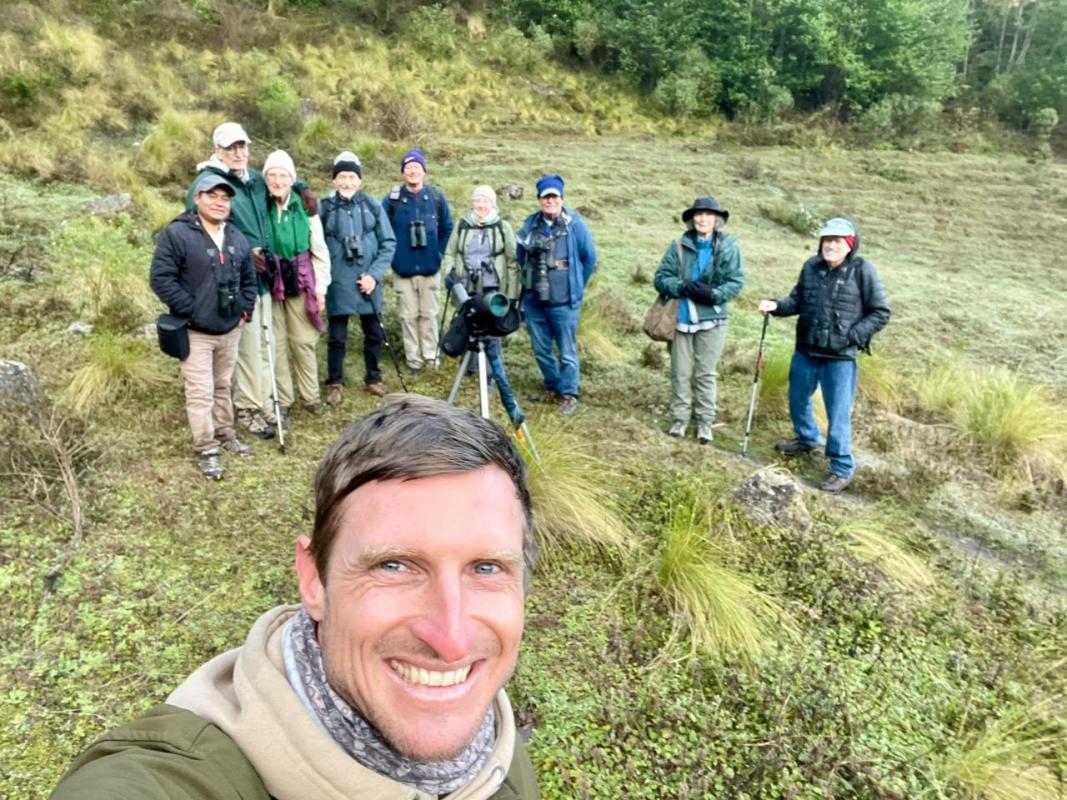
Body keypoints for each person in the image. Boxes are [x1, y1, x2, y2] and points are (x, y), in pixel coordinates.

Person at [51, 395, 541, 799]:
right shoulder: (180, 778)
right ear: (313, 581)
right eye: (393, 566)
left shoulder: (492, 741)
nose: (452, 640)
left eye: (486, 568)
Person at [186, 122, 318, 440]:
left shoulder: (253, 179)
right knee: (247, 348)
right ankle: (248, 407)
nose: (239, 152)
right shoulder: (210, 183)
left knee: (262, 344)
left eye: (242, 146)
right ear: (217, 150)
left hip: (263, 278)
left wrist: (302, 188)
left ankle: (264, 401)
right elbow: (205, 227)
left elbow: (280, 178)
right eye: (231, 147)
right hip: (233, 279)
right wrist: (244, 252)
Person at [758, 217, 890, 493]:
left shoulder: (862, 270)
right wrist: (776, 305)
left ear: (849, 245)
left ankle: (841, 468)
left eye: (837, 241)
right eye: (827, 240)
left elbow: (880, 312)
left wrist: (852, 337)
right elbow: (797, 301)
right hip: (806, 348)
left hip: (840, 357)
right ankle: (806, 438)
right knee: (797, 397)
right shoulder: (811, 267)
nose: (830, 245)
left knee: (837, 412)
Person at [150, 175, 257, 479]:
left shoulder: (237, 236)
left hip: (230, 329)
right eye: (213, 196)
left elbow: (250, 280)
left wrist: (245, 310)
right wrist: (191, 309)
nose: (220, 202)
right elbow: (161, 278)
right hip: (194, 331)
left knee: (223, 385)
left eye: (225, 198)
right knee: (200, 392)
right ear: (197, 198)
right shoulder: (178, 234)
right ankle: (207, 449)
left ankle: (226, 434)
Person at [653, 196, 745, 444]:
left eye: (708, 214)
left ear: (717, 219)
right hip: (681, 318)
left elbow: (736, 282)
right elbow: (661, 278)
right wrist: (683, 286)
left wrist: (714, 295)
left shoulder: (728, 247)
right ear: (692, 218)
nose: (703, 219)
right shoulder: (679, 246)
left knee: (705, 374)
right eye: (699, 214)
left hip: (713, 320)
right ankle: (680, 420)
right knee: (680, 372)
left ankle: (705, 423)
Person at [442, 185, 525, 425]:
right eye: (477, 201)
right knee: (468, 322)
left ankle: (489, 374)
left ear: (492, 204)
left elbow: (512, 261)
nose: (480, 206)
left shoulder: (502, 227)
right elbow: (450, 253)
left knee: (492, 330)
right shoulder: (463, 225)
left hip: (493, 288)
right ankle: (469, 368)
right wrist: (449, 274)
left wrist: (510, 295)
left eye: (485, 202)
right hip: (467, 286)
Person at [516, 174, 597, 417]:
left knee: (567, 350)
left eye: (554, 196)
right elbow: (520, 256)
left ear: (561, 198)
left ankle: (569, 394)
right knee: (541, 349)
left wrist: (577, 286)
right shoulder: (530, 224)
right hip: (534, 301)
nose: (550, 201)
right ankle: (552, 386)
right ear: (539, 200)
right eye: (545, 197)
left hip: (564, 301)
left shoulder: (575, 224)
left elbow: (589, 258)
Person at [321, 151, 397, 406]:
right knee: (337, 336)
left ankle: (373, 378)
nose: (347, 182)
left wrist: (374, 275)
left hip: (369, 281)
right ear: (334, 180)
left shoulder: (373, 206)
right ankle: (335, 382)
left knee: (374, 333)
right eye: (342, 176)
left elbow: (388, 242)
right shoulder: (324, 208)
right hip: (338, 281)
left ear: (360, 180)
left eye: (352, 176)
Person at [261, 150, 331, 418]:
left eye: (283, 175)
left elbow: (320, 252)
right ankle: (284, 398)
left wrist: (321, 289)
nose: (277, 181)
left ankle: (310, 396)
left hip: (301, 281)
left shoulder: (306, 208)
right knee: (275, 343)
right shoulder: (261, 205)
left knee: (303, 341)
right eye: (272, 175)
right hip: (270, 281)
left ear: (292, 179)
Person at [383, 148, 453, 374]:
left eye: (417, 167)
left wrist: (439, 254)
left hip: (430, 268)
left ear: (424, 171)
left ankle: (431, 357)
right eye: (408, 167)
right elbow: (383, 231)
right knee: (408, 316)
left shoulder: (436, 198)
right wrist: (393, 257)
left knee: (429, 315)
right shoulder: (392, 200)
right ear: (403, 172)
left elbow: (447, 228)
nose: (413, 171)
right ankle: (414, 361)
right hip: (402, 269)